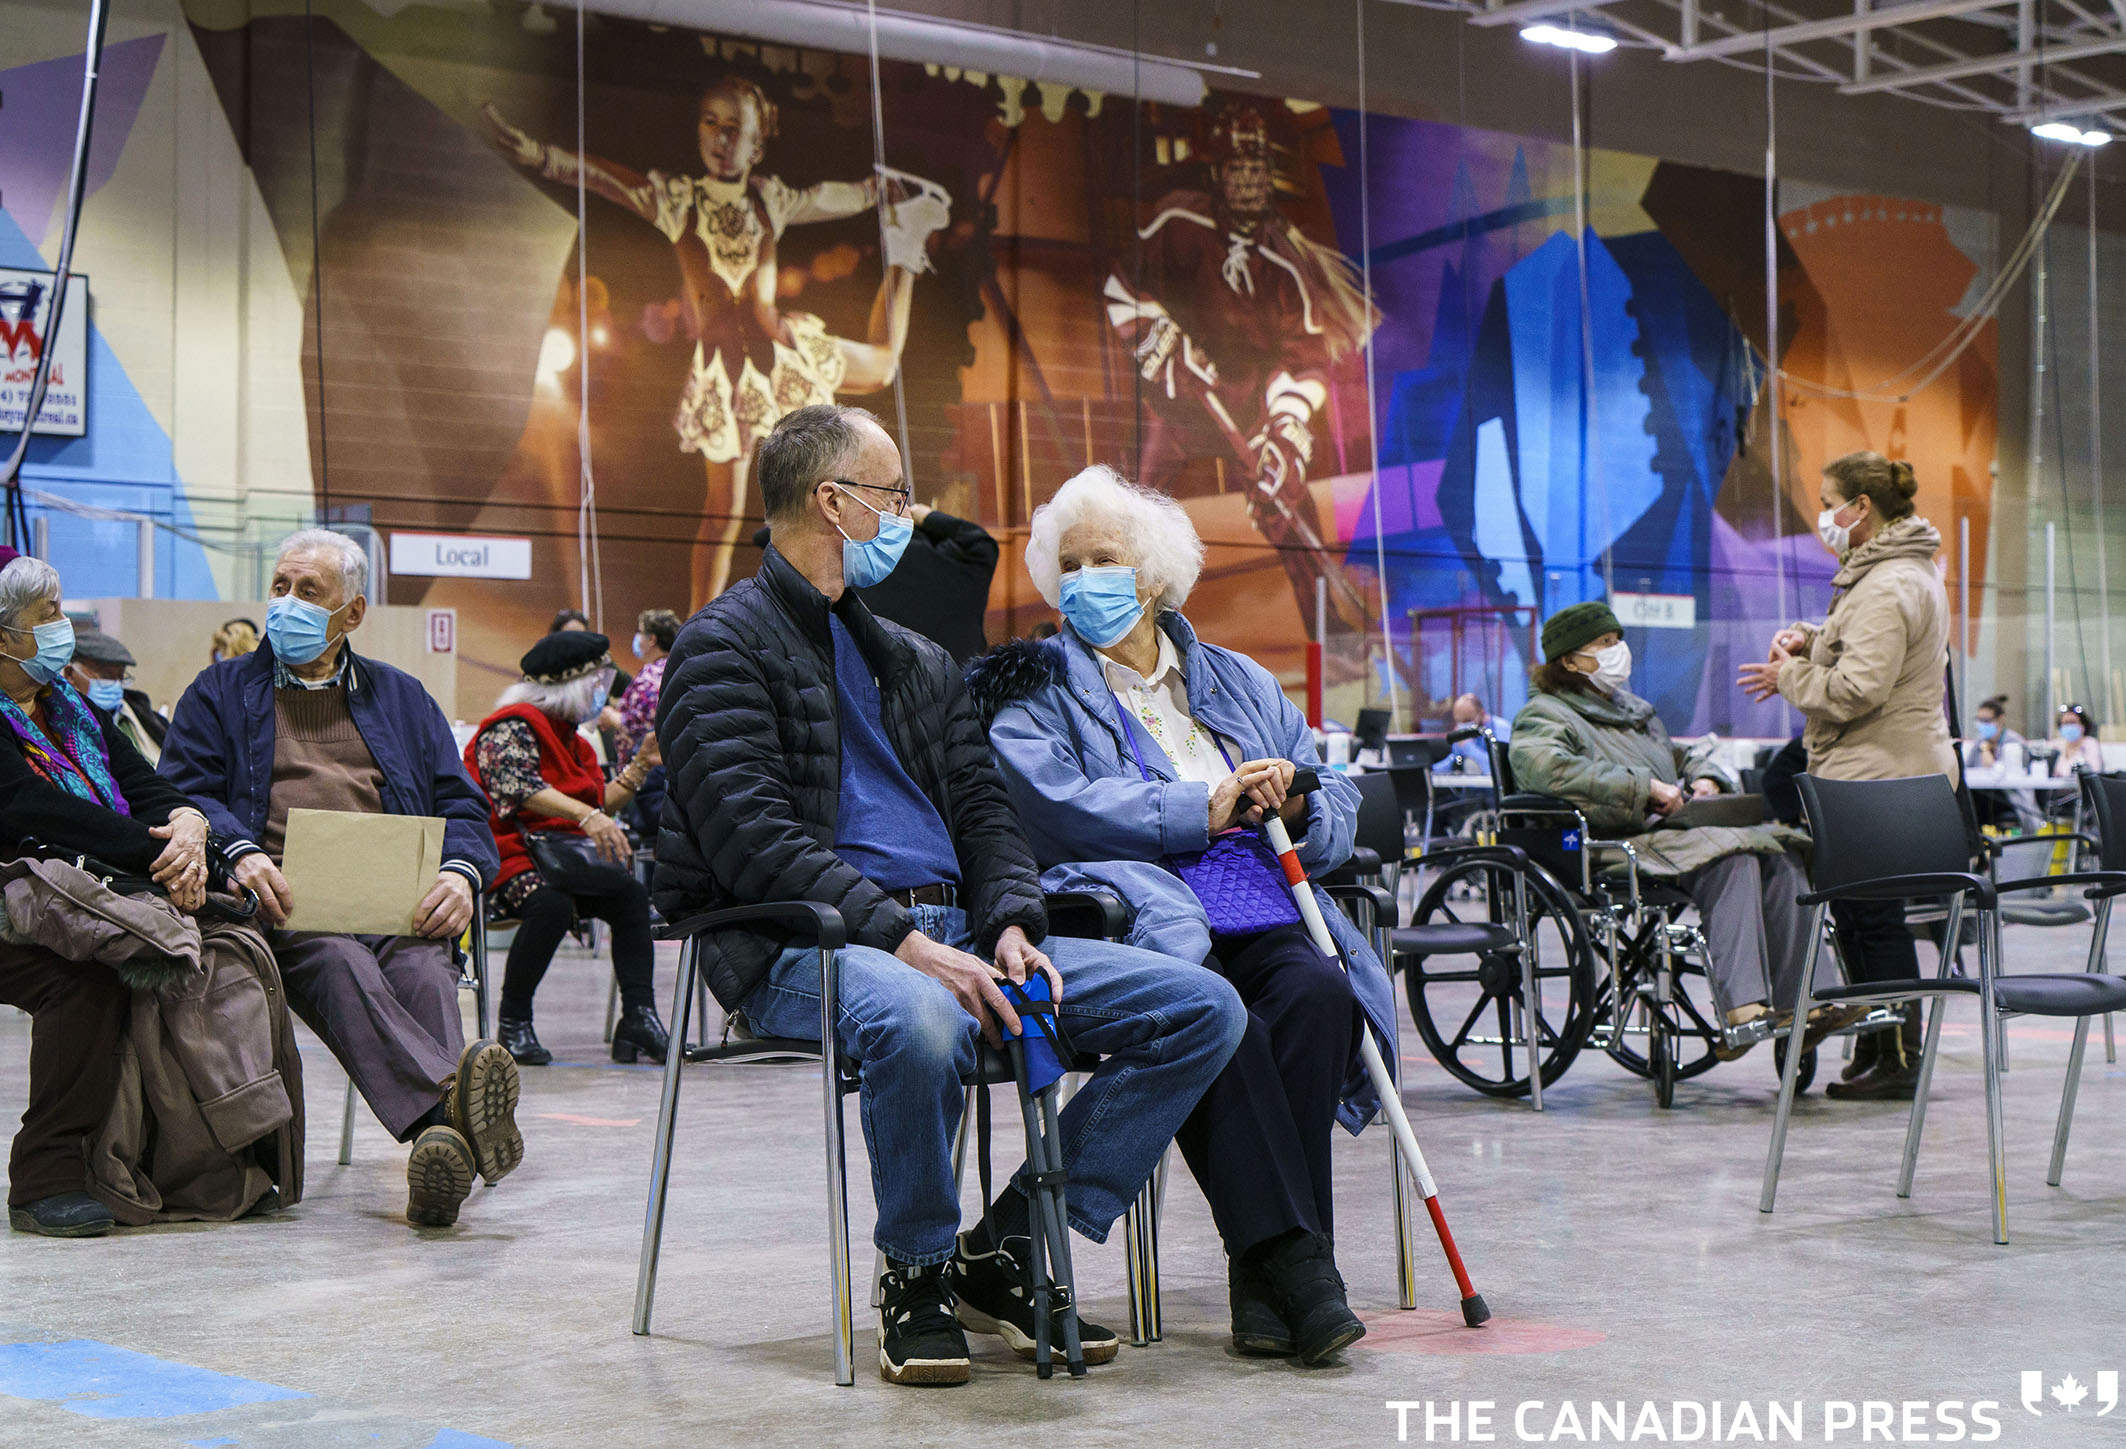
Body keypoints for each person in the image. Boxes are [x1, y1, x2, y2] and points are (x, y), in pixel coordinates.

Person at [654, 405, 1245, 1387]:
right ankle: (917, 1273)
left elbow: (985, 813)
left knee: (1198, 1007)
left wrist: (1010, 920)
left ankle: (1009, 1244)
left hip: (955, 934)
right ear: (829, 501)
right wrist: (900, 941)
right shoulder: (721, 648)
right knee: (921, 1019)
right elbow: (750, 839)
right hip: (803, 943)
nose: (908, 512)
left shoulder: (914, 661)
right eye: (891, 494)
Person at [971, 464, 1392, 1366]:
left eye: (1106, 558)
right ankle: (1299, 1269)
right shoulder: (1029, 684)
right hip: (1140, 916)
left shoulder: (1238, 679)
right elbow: (1051, 805)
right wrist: (1198, 809)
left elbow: (1336, 794)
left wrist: (1299, 799)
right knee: (1221, 1015)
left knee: (1321, 990)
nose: (1085, 579)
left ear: (1154, 574)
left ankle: (1265, 1269)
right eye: (1070, 562)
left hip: (1265, 903)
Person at [159, 530, 517, 1228]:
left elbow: (463, 804)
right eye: (280, 587)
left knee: (423, 967)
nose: (286, 603)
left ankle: (440, 1142)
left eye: (308, 591)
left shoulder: (404, 698)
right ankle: (450, 1117)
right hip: (286, 908)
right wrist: (238, 849)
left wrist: (461, 874)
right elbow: (184, 792)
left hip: (396, 902)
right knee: (337, 957)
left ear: (352, 614)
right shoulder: (220, 694)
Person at [482, 72, 952, 604]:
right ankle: (696, 627)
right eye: (712, 123)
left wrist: (879, 190)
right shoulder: (677, 199)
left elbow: (829, 196)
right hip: (724, 376)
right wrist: (541, 156)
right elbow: (604, 179)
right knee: (722, 512)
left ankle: (907, 247)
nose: (722, 138)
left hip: (782, 356)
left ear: (756, 144)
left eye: (735, 129)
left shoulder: (769, 198)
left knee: (883, 367)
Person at [1515, 602, 1844, 1059]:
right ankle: (1743, 1010)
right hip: (1609, 843)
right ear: (1569, 660)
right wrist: (1643, 787)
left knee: (1778, 852)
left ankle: (1807, 1002)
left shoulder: (1633, 710)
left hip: (1666, 836)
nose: (1618, 651)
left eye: (1618, 641)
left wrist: (1708, 777)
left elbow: (1680, 756)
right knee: (1732, 857)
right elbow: (1544, 769)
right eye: (1604, 644)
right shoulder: (1545, 714)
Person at [1102, 101, 1379, 634]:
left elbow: (1304, 362)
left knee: (1287, 502)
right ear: (1217, 174)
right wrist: (1160, 338)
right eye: (1237, 171)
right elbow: (1123, 289)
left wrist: (1285, 429)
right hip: (1176, 402)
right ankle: (1120, 623)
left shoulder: (1284, 261)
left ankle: (1328, 629)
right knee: (1138, 503)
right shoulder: (1179, 221)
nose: (1248, 183)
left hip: (1249, 403)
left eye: (1257, 171)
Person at [0, 551, 213, 1236]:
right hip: (13, 898)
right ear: (5, 636)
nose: (68, 625)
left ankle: (186, 1161)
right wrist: (156, 856)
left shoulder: (72, 707)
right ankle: (47, 1176)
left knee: (209, 947)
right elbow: (26, 805)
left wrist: (186, 826)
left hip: (83, 892)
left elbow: (141, 780)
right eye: (51, 614)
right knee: (83, 979)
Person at [1738, 450, 1956, 1101]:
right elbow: (1861, 647)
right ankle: (1878, 1042)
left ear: (1861, 508)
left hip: (1878, 777)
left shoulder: (1889, 584)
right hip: (1879, 771)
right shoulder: (1891, 573)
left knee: (1873, 919)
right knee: (1863, 918)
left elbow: (1861, 686)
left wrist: (1789, 677)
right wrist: (1813, 638)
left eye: (1829, 499)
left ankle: (1896, 1053)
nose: (1822, 515)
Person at [466, 631, 667, 1068]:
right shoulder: (512, 725)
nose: (603, 695)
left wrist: (639, 764)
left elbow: (595, 803)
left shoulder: (575, 739)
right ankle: (513, 1022)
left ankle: (638, 1016)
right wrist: (587, 817)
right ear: (574, 685)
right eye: (599, 683)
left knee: (631, 897)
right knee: (549, 903)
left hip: (561, 856)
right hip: (507, 853)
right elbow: (516, 787)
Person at [64, 621, 166, 765]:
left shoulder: (142, 717)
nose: (115, 684)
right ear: (70, 674)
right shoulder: (58, 721)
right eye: (105, 675)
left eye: (120, 677)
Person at [617, 609, 681, 832]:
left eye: (640, 632)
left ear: (652, 639)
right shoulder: (681, 669)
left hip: (647, 779)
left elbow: (637, 728)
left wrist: (613, 718)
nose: (638, 638)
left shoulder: (648, 679)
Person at [1434, 692, 1506, 773]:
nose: (1463, 725)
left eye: (1467, 720)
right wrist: (1431, 771)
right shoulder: (1462, 734)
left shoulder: (1500, 728)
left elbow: (1498, 769)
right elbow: (1456, 760)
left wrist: (1467, 746)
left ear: (1482, 713)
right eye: (1459, 721)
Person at [2048, 704, 2104, 776]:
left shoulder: (2090, 743)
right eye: (2065, 723)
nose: (2069, 727)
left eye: (2072, 723)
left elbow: (2095, 769)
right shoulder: (2057, 745)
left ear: (2083, 726)